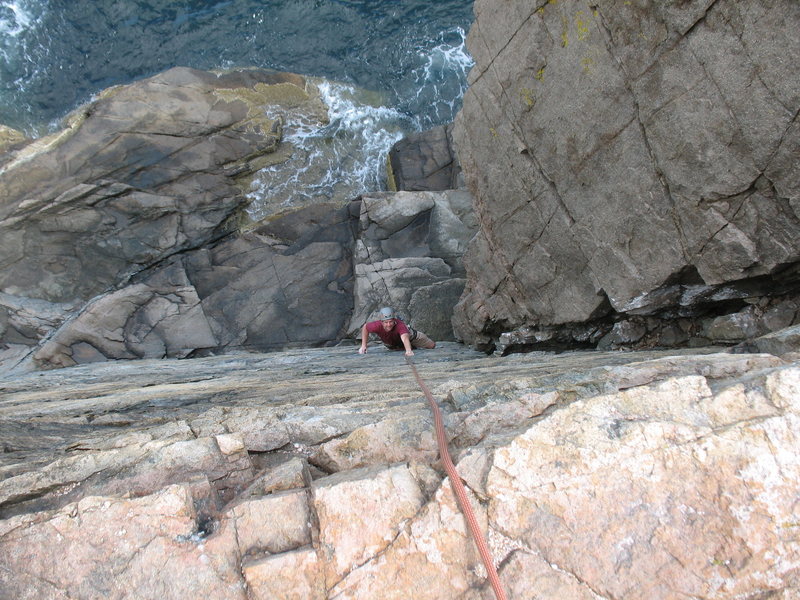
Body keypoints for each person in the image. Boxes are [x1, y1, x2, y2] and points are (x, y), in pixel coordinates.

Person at [358, 307, 436, 356]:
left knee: (432, 345)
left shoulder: (400, 325)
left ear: (394, 320)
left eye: (390, 321)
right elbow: (365, 327)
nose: (388, 325)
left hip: (412, 337)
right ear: (381, 322)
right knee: (399, 349)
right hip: (393, 344)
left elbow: (405, 338)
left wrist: (408, 351)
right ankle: (408, 347)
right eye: (386, 322)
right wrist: (364, 345)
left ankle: (410, 346)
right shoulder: (376, 325)